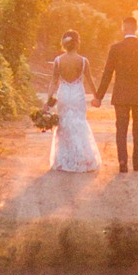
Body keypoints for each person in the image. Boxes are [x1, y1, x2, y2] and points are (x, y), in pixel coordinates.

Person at [94, 13, 138, 172]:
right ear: (136, 28)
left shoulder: (115, 48)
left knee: (121, 129)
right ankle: (137, 164)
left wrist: (99, 96)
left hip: (121, 95)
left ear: (123, 28)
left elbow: (107, 73)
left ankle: (122, 162)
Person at [45, 29, 102, 174]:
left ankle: (64, 159)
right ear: (77, 43)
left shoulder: (58, 61)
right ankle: (82, 158)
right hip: (77, 95)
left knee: (63, 124)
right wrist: (97, 96)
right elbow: (90, 81)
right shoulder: (83, 61)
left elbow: (53, 81)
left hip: (63, 94)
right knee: (79, 123)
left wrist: (48, 101)